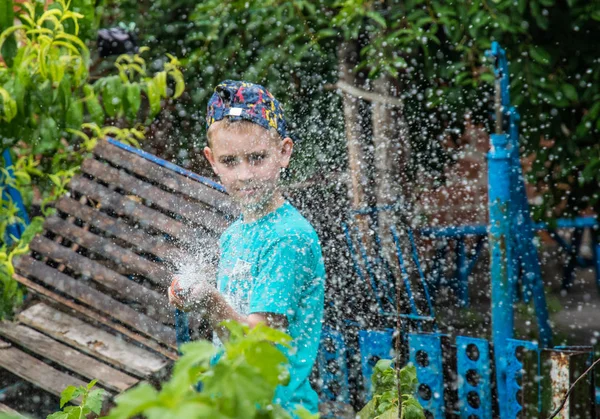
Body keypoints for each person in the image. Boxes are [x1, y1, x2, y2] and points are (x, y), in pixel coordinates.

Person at [168, 80, 326, 415]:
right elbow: (239, 296)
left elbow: (256, 347)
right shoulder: (235, 234)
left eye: (256, 158)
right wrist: (190, 291)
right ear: (211, 160)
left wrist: (209, 303)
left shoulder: (288, 238)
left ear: (284, 152)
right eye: (230, 161)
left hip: (276, 410)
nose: (244, 175)